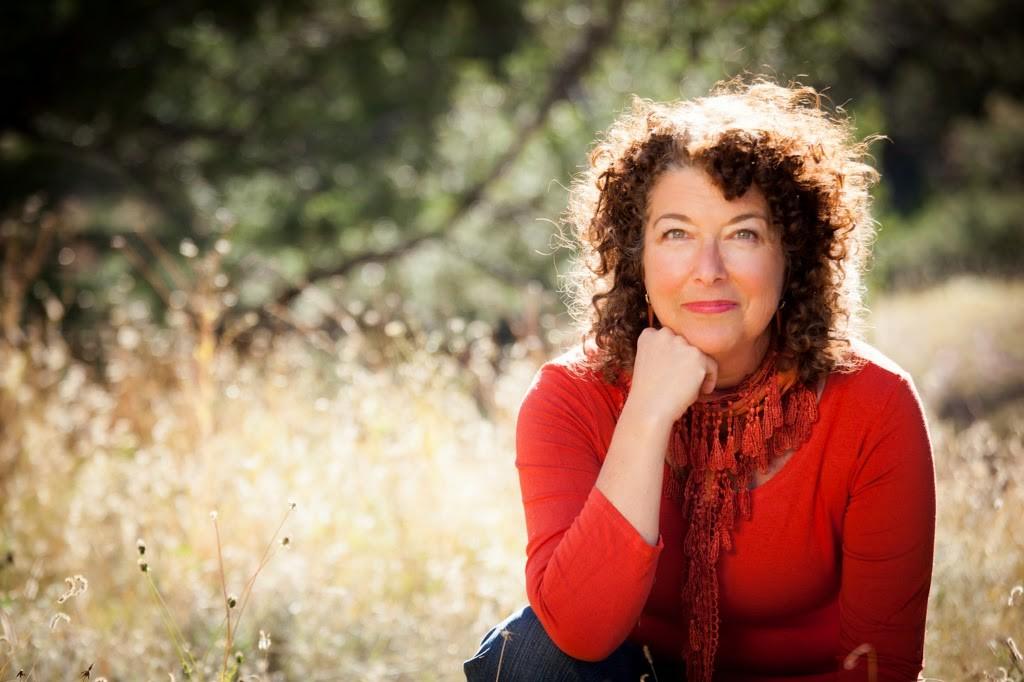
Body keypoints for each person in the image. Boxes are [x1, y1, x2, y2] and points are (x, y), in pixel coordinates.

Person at [463, 79, 936, 682]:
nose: (708, 270)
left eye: (743, 234)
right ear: (636, 256)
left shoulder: (873, 402)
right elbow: (577, 631)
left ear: (792, 255)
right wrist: (646, 414)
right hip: (640, 674)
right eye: (676, 234)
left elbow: (883, 665)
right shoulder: (571, 395)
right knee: (526, 652)